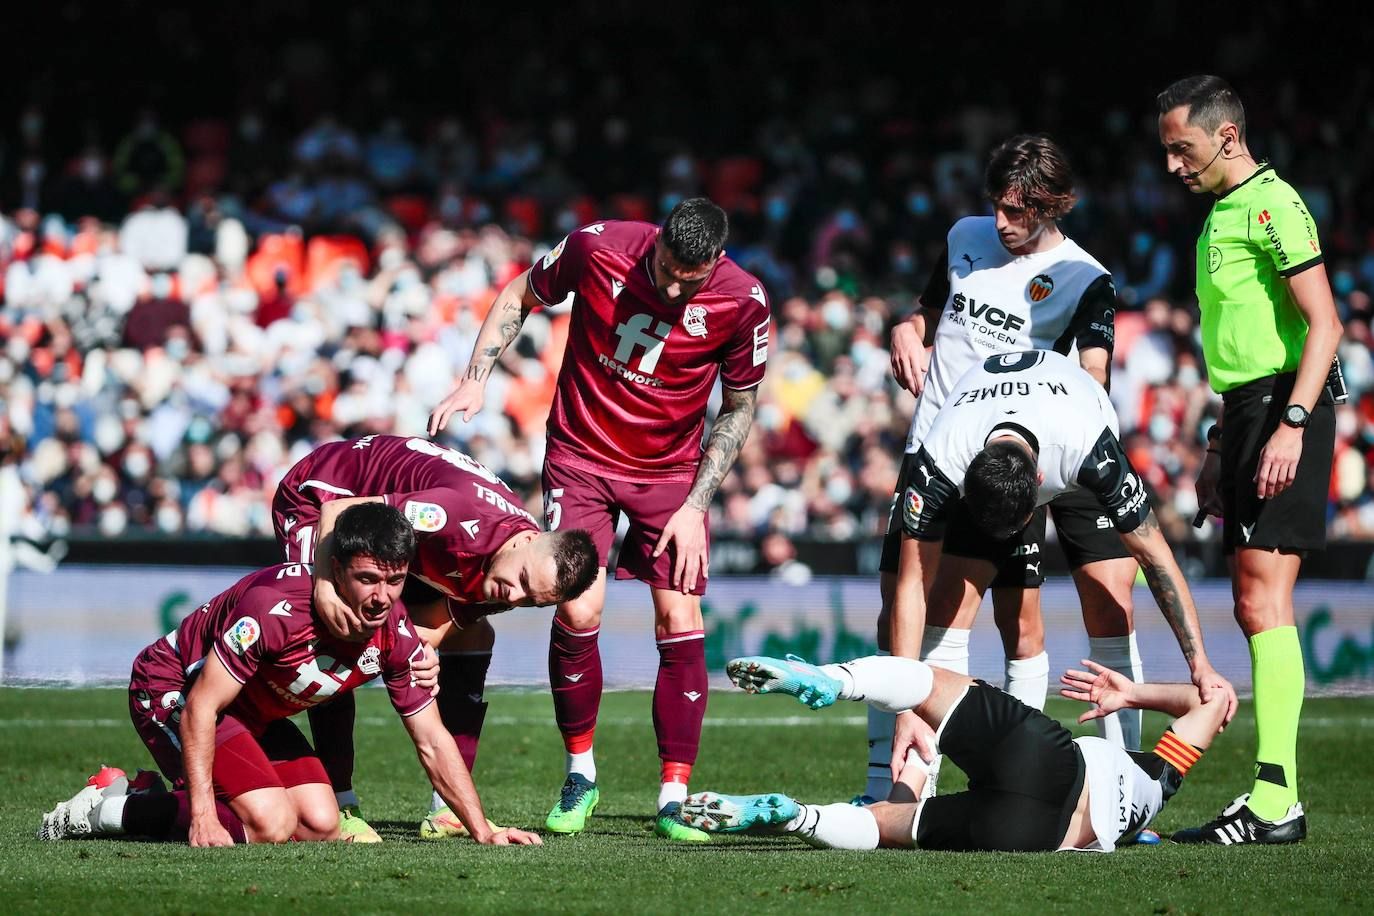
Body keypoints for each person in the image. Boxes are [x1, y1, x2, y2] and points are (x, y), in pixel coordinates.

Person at [429, 197, 771, 841]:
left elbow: (740, 405)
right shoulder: (600, 245)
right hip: (581, 455)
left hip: (670, 475)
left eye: (686, 279)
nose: (670, 285)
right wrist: (475, 377)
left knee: (680, 614)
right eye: (665, 267)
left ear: (716, 262)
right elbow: (519, 294)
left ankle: (675, 794)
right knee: (579, 610)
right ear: (659, 240)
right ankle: (580, 771)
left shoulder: (746, 300)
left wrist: (697, 505)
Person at [871, 135, 1142, 808]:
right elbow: (928, 313)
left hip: (1007, 461)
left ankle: (1094, 785)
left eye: (1019, 211)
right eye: (997, 206)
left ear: (1054, 205)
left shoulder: (1085, 277)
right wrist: (905, 329)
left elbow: (1095, 377)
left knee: (979, 614)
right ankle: (889, 783)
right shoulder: (964, 236)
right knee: (896, 610)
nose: (1002, 223)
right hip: (931, 446)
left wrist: (1058, 453)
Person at [37, 503, 541, 848]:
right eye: (367, 579)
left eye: (394, 580)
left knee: (322, 823)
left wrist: (483, 829)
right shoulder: (274, 611)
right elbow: (201, 708)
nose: (382, 596)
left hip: (250, 710)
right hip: (173, 691)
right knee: (271, 822)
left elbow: (432, 737)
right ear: (336, 569)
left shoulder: (394, 626)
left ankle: (144, 793)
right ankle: (101, 812)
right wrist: (204, 816)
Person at [883, 348, 1238, 794]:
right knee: (947, 608)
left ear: (1036, 486)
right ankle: (923, 788)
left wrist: (1200, 664)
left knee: (1112, 604)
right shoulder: (940, 460)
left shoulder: (1091, 451)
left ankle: (1123, 781)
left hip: (1069, 439)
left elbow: (1157, 558)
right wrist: (904, 709)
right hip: (990, 437)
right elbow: (913, 584)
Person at [1157, 75, 1342, 844]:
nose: (1172, 165)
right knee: (1253, 601)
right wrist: (1219, 444)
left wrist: (1292, 424)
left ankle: (1277, 799)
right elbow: (1235, 348)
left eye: (1182, 148)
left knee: (1263, 599)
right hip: (1247, 412)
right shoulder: (1219, 218)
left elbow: (1325, 324)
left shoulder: (1272, 203)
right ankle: (1275, 795)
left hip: (1284, 405)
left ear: (1226, 136)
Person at [272, 433, 598, 842]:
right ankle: (340, 802)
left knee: (475, 638)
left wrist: (421, 654)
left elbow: (433, 626)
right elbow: (338, 513)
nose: (514, 597)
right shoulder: (450, 515)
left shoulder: (513, 574)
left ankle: (446, 811)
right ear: (528, 540)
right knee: (338, 629)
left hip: (399, 535)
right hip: (321, 495)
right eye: (521, 581)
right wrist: (323, 588)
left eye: (532, 600)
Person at [680, 652, 1228, 853]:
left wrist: (1132, 694)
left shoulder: (1157, 776)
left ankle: (830, 680)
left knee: (928, 684)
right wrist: (917, 767)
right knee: (883, 823)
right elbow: (1215, 706)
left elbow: (1211, 699)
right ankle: (799, 818)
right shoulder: (1154, 798)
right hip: (1031, 836)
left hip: (1056, 764)